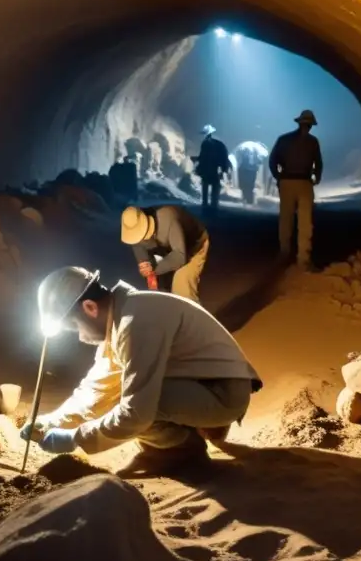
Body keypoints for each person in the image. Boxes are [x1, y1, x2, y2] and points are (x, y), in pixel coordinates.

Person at [20, 266, 262, 474]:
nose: (81, 337)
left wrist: (75, 438)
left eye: (74, 328)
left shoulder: (136, 323)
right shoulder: (123, 316)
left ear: (90, 307)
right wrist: (52, 421)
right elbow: (97, 389)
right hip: (202, 384)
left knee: (135, 404)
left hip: (223, 394)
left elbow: (136, 413)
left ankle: (182, 453)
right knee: (122, 395)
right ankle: (197, 426)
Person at [120, 205, 209, 303]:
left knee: (181, 286)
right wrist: (146, 267)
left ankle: (194, 316)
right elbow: (143, 257)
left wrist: (155, 269)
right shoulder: (134, 228)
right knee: (160, 287)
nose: (138, 241)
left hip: (194, 245)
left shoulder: (168, 219)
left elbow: (180, 256)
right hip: (167, 248)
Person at [269, 110, 323, 268]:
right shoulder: (313, 142)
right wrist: (317, 177)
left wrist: (278, 177)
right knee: (305, 221)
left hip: (287, 182)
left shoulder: (284, 140)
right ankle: (303, 258)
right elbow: (318, 163)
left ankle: (284, 252)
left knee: (286, 218)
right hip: (304, 183)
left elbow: (273, 161)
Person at [192, 125, 231, 213]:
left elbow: (203, 156)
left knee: (205, 184)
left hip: (208, 167)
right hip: (215, 168)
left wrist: (198, 166)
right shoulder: (219, 142)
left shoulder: (205, 143)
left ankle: (205, 204)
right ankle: (214, 205)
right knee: (215, 185)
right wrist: (224, 168)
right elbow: (224, 155)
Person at [233, 141, 269, 206]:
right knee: (250, 185)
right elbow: (263, 156)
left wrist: (238, 164)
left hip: (242, 168)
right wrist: (258, 162)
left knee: (243, 185)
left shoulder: (244, 144)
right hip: (251, 169)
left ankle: (244, 198)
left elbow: (236, 154)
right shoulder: (259, 148)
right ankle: (249, 201)